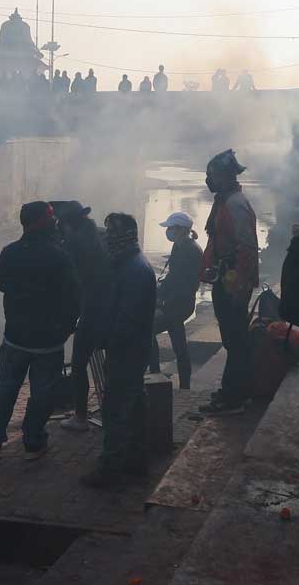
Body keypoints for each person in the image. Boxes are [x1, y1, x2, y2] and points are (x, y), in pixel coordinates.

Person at [0, 202, 81, 460]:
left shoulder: (10, 252)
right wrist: (66, 328)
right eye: (50, 218)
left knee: (5, 389)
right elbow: (73, 298)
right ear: (41, 222)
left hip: (15, 337)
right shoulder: (59, 256)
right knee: (43, 393)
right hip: (48, 341)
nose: (55, 221)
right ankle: (33, 442)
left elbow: (1, 284)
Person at [81, 213, 156, 488]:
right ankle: (137, 459)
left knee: (115, 409)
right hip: (132, 349)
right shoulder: (128, 265)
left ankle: (110, 469)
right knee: (134, 404)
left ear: (124, 238)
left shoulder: (134, 270)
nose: (107, 240)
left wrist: (107, 340)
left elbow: (126, 318)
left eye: (112, 235)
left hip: (127, 350)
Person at [198, 150, 259, 415]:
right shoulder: (225, 201)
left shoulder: (234, 204)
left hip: (234, 280)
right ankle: (237, 391)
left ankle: (234, 397)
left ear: (224, 177)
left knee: (235, 340)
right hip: (226, 277)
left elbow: (246, 247)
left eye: (212, 175)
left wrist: (237, 286)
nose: (209, 180)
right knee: (234, 338)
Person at [52, 202, 112, 433]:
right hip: (112, 308)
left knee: (78, 364)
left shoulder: (75, 247)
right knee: (110, 364)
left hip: (93, 310)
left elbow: (71, 285)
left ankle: (80, 416)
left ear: (68, 224)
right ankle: (110, 407)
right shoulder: (102, 236)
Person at [150, 211, 201, 389]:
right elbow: (172, 277)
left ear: (180, 229)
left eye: (171, 228)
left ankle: (157, 377)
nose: (168, 231)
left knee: (151, 331)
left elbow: (185, 284)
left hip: (180, 303)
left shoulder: (191, 250)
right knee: (179, 343)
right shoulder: (179, 246)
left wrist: (163, 303)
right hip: (175, 302)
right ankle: (181, 384)